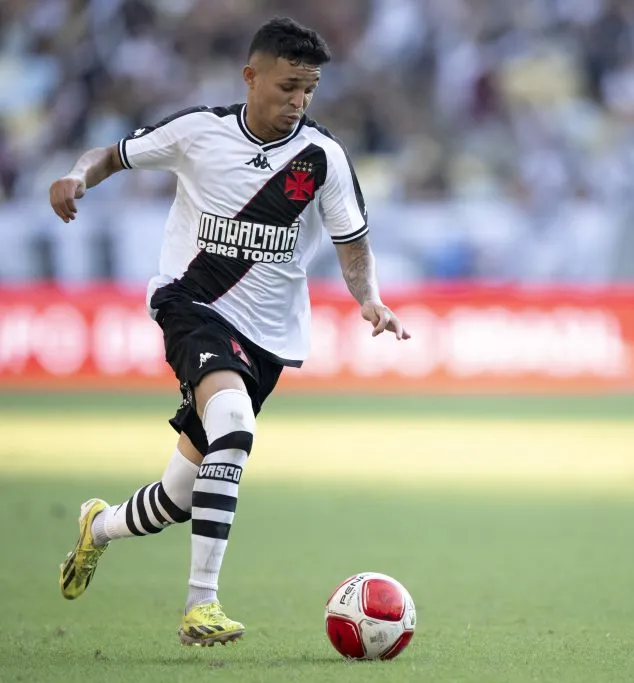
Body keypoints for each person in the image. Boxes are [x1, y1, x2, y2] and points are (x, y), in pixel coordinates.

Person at [48, 16, 410, 647]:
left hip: (267, 341)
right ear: (251, 76)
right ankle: (201, 605)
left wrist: (369, 300)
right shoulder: (197, 132)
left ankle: (98, 527)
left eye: (310, 90)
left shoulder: (321, 158)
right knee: (235, 428)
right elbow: (110, 154)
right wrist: (77, 177)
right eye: (288, 86)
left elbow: (353, 243)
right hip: (191, 307)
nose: (298, 102)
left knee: (181, 495)